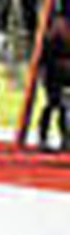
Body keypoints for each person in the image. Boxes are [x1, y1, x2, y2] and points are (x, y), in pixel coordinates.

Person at [37, 16, 70, 153]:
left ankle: (65, 139)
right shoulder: (50, 41)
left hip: (64, 77)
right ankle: (44, 138)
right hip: (52, 78)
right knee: (53, 105)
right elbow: (44, 61)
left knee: (63, 108)